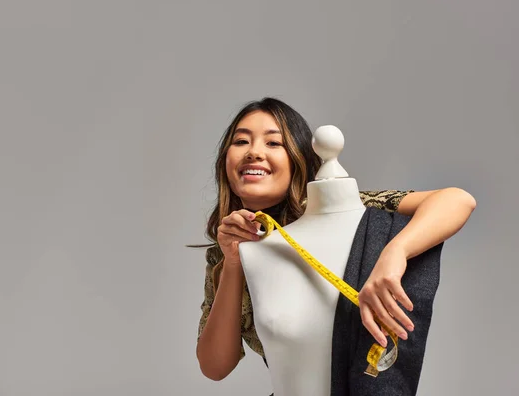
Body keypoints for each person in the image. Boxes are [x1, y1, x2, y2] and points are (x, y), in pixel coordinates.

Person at [193, 97, 476, 383]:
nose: (254, 152)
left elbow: (456, 200)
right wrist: (232, 263)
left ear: (298, 158)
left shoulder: (350, 210)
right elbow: (215, 366)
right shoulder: (226, 254)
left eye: (273, 143)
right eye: (241, 141)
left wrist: (395, 253)